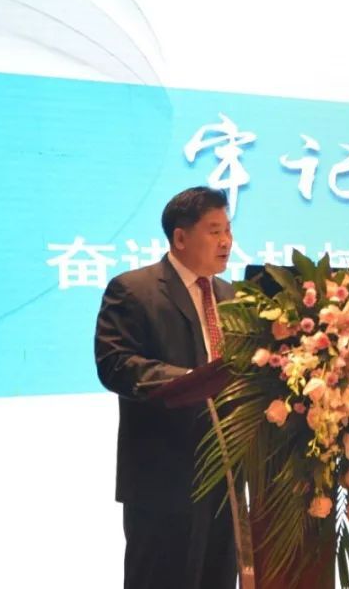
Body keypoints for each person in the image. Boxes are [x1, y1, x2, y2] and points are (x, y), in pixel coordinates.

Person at [95, 186, 237, 589]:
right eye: (214, 231)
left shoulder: (231, 295)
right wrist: (189, 381)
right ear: (180, 237)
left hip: (224, 480)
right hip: (164, 480)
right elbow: (115, 364)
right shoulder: (134, 290)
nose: (226, 241)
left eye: (228, 230)